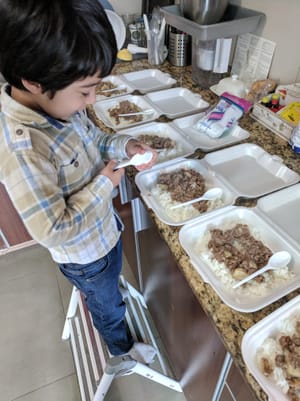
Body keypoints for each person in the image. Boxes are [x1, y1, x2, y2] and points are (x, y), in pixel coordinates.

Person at [0, 0, 157, 364]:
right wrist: (105, 184)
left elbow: (95, 141)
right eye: (85, 91)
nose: (93, 100)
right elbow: (53, 230)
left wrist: (125, 145)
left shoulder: (59, 108)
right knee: (107, 306)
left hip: (103, 235)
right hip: (85, 257)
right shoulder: (24, 148)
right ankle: (121, 348)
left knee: (109, 281)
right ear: (34, 83)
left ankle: (108, 292)